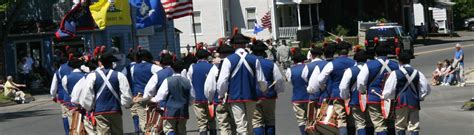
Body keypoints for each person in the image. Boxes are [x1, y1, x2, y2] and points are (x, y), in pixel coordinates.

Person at [216, 32, 267, 134]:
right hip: (251, 96)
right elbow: (261, 80)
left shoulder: (228, 60)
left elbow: (222, 81)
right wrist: (264, 89)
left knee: (240, 126)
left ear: (234, 45)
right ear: (245, 45)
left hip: (235, 96)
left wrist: (221, 94)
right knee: (249, 125)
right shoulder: (254, 59)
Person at [79, 52, 133, 135]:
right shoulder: (119, 75)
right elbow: (126, 93)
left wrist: (89, 107)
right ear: (112, 63)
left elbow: (87, 94)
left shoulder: (92, 76)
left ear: (101, 63)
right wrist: (126, 104)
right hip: (115, 110)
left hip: (100, 111)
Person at [382, 52, 431, 135]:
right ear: (409, 61)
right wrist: (419, 96)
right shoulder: (418, 73)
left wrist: (386, 97)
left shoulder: (395, 73)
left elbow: (389, 90)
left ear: (399, 61)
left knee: (400, 126)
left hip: (400, 102)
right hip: (414, 102)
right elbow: (426, 89)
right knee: (414, 127)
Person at [312, 42, 356, 134]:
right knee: (351, 119)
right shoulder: (354, 63)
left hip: (336, 94)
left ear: (337, 52)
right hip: (351, 94)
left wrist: (324, 88)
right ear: (348, 51)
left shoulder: (332, 64)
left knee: (341, 119)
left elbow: (320, 80)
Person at [357, 43, 399, 135]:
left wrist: (363, 91)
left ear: (376, 53)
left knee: (379, 125)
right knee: (391, 123)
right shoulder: (395, 65)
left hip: (374, 98)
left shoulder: (369, 65)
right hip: (391, 98)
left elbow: (361, 82)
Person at [251, 41, 284, 135]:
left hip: (254, 95)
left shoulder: (249, 63)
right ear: (264, 53)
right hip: (269, 95)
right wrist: (277, 90)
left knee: (256, 121)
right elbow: (279, 79)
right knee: (270, 120)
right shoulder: (271, 64)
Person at [150, 60, 193, 135]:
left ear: (172, 69)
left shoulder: (168, 80)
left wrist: (153, 99)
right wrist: (187, 104)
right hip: (183, 110)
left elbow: (160, 96)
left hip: (170, 110)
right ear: (182, 69)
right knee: (182, 130)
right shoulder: (187, 81)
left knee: (169, 128)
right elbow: (192, 96)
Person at [204, 44, 237, 135]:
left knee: (223, 125)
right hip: (234, 99)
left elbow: (209, 87)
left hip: (219, 100)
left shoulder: (214, 68)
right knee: (235, 124)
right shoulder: (235, 66)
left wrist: (210, 99)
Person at [129, 49, 162, 133]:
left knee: (143, 121)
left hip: (138, 96)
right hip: (150, 97)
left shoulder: (133, 68)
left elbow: (134, 80)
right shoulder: (153, 67)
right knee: (152, 121)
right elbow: (162, 74)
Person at [339, 50, 371, 135]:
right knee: (370, 123)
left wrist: (345, 97)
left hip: (355, 99)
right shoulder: (371, 69)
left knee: (360, 124)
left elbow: (343, 87)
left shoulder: (350, 71)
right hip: (370, 99)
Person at [186, 50, 217, 135]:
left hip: (197, 98)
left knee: (201, 121)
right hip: (211, 98)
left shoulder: (192, 67)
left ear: (197, 57)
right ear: (207, 57)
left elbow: (189, 82)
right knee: (212, 119)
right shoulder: (212, 67)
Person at [60, 53, 86, 133]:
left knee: (73, 126)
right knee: (84, 127)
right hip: (84, 105)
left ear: (71, 67)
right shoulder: (85, 76)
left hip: (71, 105)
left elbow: (67, 90)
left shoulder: (65, 78)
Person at [50, 50, 73, 135]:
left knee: (65, 115)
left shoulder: (58, 71)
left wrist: (53, 96)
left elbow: (53, 87)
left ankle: (68, 132)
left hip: (64, 97)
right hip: (76, 96)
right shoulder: (72, 67)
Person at [286, 52, 309, 135]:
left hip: (297, 97)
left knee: (301, 120)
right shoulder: (308, 68)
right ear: (304, 60)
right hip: (309, 97)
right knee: (310, 118)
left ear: (294, 61)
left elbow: (290, 81)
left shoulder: (290, 70)